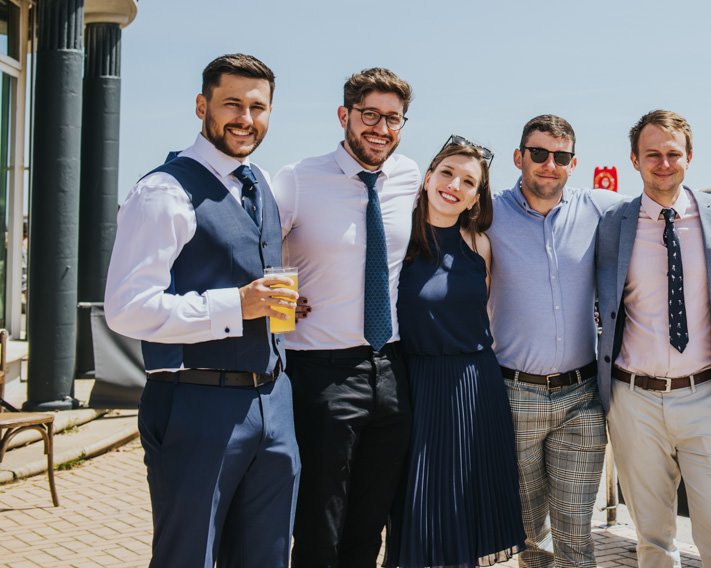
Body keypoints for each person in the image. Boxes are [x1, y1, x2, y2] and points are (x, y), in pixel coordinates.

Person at [104, 53, 300, 567]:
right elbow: (126, 309)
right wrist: (235, 304)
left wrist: (276, 309)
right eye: (232, 103)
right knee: (189, 557)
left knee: (267, 556)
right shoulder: (162, 192)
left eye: (258, 107)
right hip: (195, 403)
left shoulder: (260, 183)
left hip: (273, 400)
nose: (245, 118)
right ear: (201, 106)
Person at [273, 68, 421, 567]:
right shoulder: (296, 179)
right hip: (318, 370)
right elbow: (248, 244)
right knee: (319, 526)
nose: (381, 128)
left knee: (369, 526)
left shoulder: (410, 177)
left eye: (393, 119)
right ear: (345, 116)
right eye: (370, 115)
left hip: (391, 369)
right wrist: (272, 290)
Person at [595, 110, 711, 568]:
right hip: (634, 399)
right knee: (654, 541)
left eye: (673, 154)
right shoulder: (611, 222)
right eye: (652, 155)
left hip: (707, 396)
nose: (664, 163)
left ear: (690, 157)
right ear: (634, 160)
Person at [486, 114, 622, 567]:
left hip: (581, 399)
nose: (549, 164)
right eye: (539, 154)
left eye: (560, 156)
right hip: (514, 394)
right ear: (518, 157)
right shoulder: (486, 211)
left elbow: (663, 209)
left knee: (575, 533)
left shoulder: (599, 208)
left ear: (573, 162)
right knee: (529, 535)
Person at [388, 138, 525, 567]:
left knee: (466, 508)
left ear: (474, 198)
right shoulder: (397, 239)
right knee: (419, 509)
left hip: (475, 385)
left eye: (469, 181)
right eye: (447, 173)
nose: (454, 185)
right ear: (428, 178)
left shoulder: (479, 245)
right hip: (418, 385)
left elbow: (479, 311)